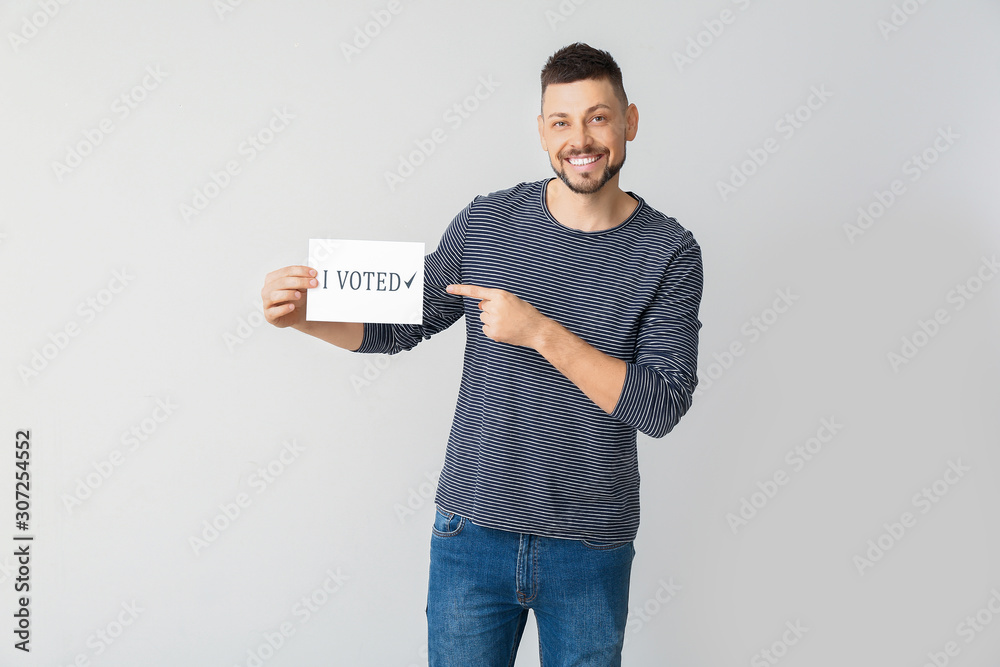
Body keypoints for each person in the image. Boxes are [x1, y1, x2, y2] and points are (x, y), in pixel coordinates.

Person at [261, 42, 703, 667]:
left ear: (629, 121)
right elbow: (398, 327)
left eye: (598, 117)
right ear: (542, 133)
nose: (580, 139)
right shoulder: (488, 222)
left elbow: (659, 406)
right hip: (471, 536)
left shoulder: (669, 249)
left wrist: (541, 332)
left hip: (589, 547)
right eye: (562, 122)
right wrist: (303, 316)